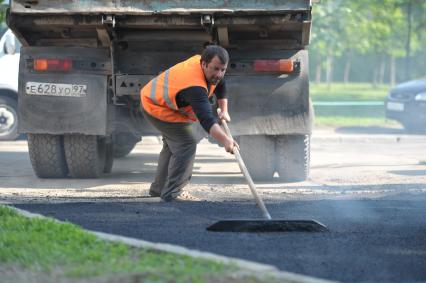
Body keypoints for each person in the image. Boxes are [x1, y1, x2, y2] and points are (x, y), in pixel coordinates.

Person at [140, 45, 238, 202]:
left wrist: (224, 110)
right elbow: (207, 120)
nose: (218, 74)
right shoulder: (194, 87)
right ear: (204, 64)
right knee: (186, 143)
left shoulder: (207, 66)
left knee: (173, 145)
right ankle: (173, 192)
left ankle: (159, 188)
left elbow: (221, 84)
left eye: (222, 69)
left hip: (164, 105)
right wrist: (226, 140)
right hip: (155, 106)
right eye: (215, 69)